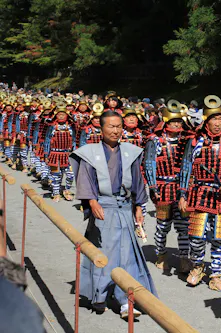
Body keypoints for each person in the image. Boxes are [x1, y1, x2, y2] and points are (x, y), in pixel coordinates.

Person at [70, 110, 156, 318]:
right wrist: (91, 201)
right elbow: (85, 180)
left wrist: (138, 207)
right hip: (104, 208)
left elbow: (137, 181)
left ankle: (127, 300)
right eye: (111, 126)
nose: (116, 130)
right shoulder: (90, 153)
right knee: (104, 254)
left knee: (127, 255)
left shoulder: (131, 151)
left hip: (125, 208)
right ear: (101, 128)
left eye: (119, 126)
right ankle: (99, 295)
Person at [178, 95, 221, 292]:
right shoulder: (196, 140)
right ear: (206, 120)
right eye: (213, 119)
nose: (217, 123)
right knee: (196, 237)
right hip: (199, 193)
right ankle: (197, 266)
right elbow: (186, 167)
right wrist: (182, 194)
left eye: (220, 119)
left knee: (220, 238)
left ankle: (215, 274)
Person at [144, 101, 192, 274]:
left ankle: (184, 257)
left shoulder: (187, 141)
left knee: (184, 225)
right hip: (163, 187)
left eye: (179, 121)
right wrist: (152, 185)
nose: (177, 124)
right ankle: (161, 254)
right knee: (163, 225)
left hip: (183, 189)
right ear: (165, 122)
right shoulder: (155, 140)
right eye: (173, 122)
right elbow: (149, 163)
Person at [43, 104, 77, 202]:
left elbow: (74, 140)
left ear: (67, 116)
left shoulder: (71, 127)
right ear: (56, 116)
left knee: (70, 175)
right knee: (56, 176)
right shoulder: (52, 127)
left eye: (63, 114)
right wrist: (46, 155)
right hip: (54, 154)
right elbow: (47, 141)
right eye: (59, 114)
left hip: (68, 155)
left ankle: (67, 190)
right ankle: (56, 193)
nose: (61, 116)